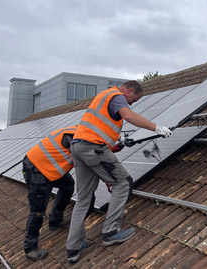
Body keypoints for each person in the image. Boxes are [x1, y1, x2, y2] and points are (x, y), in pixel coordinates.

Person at [66, 80, 172, 263]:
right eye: (134, 99)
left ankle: (73, 247)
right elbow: (129, 116)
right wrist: (156, 128)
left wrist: (119, 140)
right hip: (93, 147)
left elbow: (101, 125)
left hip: (78, 146)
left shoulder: (103, 96)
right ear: (130, 91)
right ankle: (111, 231)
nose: (131, 103)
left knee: (83, 198)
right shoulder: (117, 96)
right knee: (122, 183)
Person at [22, 126, 78, 261]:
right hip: (37, 169)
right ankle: (30, 248)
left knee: (68, 185)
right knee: (37, 210)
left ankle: (55, 220)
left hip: (51, 168)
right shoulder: (74, 134)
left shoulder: (86, 134)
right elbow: (74, 144)